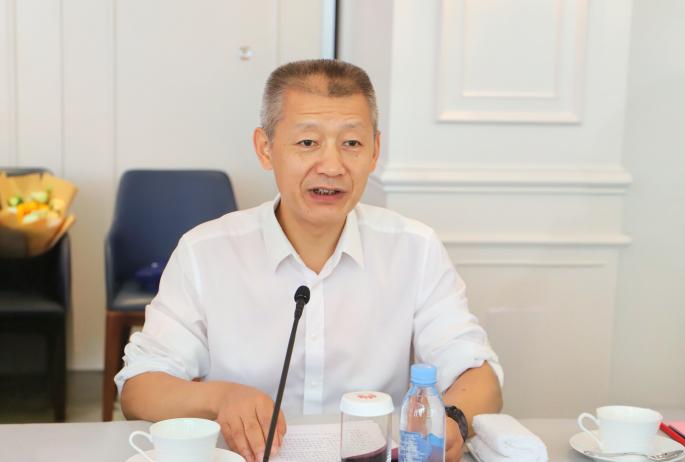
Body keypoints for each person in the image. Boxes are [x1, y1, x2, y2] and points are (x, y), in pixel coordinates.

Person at [116, 59, 503, 462]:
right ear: (265, 149)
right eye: (307, 143)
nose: (332, 166)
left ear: (375, 151)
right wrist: (221, 397)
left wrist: (453, 420)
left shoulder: (415, 248)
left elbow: (480, 375)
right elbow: (140, 389)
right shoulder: (205, 252)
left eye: (351, 143)